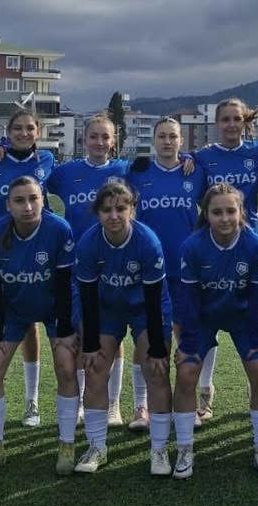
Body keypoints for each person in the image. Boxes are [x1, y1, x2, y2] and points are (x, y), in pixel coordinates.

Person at [0, 176, 80, 476]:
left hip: (53, 309)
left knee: (66, 365)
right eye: (19, 201)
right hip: (13, 310)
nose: (28, 206)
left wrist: (65, 330)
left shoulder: (59, 229)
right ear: (8, 205)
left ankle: (67, 444)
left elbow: (65, 284)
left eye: (34, 199)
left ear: (43, 200)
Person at [174, 183, 258, 478]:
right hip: (203, 318)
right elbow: (188, 300)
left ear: (241, 212)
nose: (224, 218)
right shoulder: (192, 246)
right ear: (206, 214)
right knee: (186, 372)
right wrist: (188, 344)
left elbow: (257, 299)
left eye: (230, 211)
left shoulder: (254, 245)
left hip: (241, 317)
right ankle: (184, 449)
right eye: (217, 212)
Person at [76, 181, 172, 474]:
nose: (114, 215)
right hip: (107, 309)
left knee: (156, 370)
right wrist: (90, 345)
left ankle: (159, 449)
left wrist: (158, 348)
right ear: (97, 213)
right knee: (94, 370)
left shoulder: (147, 241)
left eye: (121, 208)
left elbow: (154, 299)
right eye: (106, 210)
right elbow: (87, 297)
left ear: (133, 209)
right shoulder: (89, 243)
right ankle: (96, 446)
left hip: (146, 309)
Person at [191, 98, 258, 422]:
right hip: (212, 244)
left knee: (250, 314)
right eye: (225, 119)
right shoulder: (203, 156)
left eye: (236, 119)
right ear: (217, 123)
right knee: (208, 313)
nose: (230, 124)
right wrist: (186, 160)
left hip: (249, 245)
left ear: (245, 122)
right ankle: (205, 391)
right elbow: (186, 170)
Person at [45, 113, 131, 428]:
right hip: (77, 264)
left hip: (114, 263)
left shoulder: (125, 170)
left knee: (114, 333)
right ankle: (81, 401)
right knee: (81, 332)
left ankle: (113, 404)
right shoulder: (66, 172)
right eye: (93, 136)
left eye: (105, 137)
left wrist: (187, 160)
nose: (99, 142)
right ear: (84, 139)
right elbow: (33, 177)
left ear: (114, 141)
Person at [126, 117, 207, 431]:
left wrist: (191, 158)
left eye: (173, 136)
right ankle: (141, 406)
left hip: (186, 269)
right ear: (154, 139)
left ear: (181, 141)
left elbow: (211, 207)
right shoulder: (138, 172)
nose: (167, 141)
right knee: (146, 338)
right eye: (162, 136)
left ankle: (189, 403)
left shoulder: (195, 171)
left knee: (186, 336)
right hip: (147, 270)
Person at [0, 110, 56, 429]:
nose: (24, 133)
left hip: (39, 248)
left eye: (30, 128)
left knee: (32, 325)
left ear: (38, 132)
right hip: (2, 250)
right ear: (8, 131)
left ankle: (32, 400)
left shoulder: (47, 160)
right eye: (17, 128)